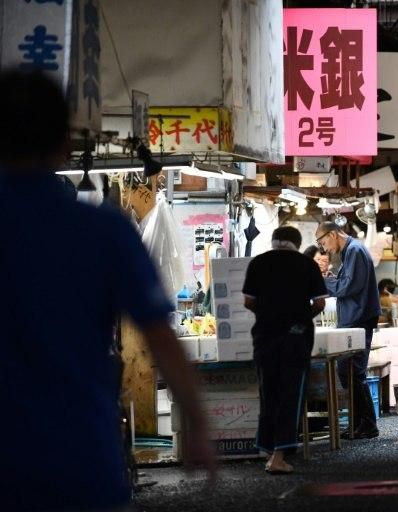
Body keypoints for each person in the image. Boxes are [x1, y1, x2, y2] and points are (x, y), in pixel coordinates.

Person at [0, 70, 216, 511]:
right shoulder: (101, 230)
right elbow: (161, 337)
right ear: (65, 141)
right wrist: (195, 422)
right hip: (81, 457)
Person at [243, 226, 327, 474]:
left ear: (273, 241)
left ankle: (268, 450)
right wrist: (298, 317)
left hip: (265, 338)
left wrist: (269, 315)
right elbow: (320, 303)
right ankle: (279, 456)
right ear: (297, 243)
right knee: (290, 394)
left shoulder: (258, 263)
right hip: (295, 338)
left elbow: (248, 301)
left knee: (268, 393)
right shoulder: (306, 265)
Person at [315, 221, 381, 439]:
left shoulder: (354, 251)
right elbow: (346, 283)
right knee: (349, 372)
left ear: (333, 234)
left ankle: (367, 424)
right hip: (354, 317)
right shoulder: (351, 251)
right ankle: (359, 423)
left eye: (324, 242)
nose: (325, 249)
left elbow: (348, 286)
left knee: (352, 372)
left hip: (358, 318)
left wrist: (322, 283)